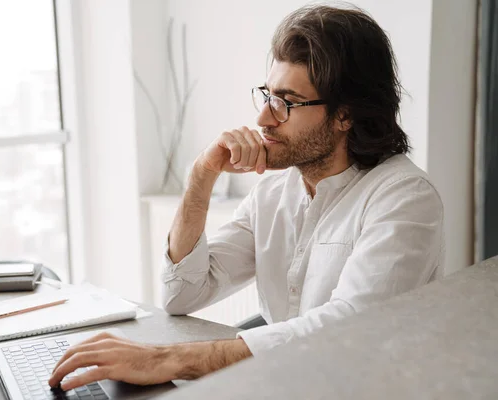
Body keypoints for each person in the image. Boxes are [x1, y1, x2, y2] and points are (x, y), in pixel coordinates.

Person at [49, 4, 444, 390]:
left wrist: (163, 358)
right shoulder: (274, 191)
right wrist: (201, 176)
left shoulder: (405, 198)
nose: (263, 119)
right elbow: (181, 293)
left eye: (286, 102)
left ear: (346, 115)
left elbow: (347, 328)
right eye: (267, 95)